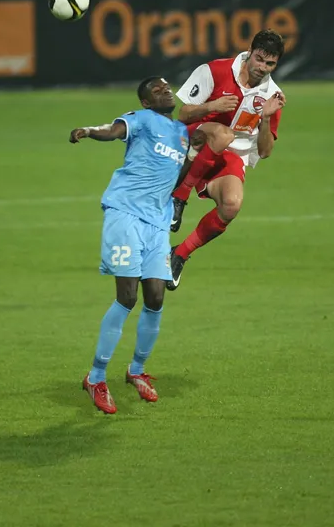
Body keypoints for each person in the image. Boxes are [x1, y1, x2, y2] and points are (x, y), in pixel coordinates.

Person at [70, 77, 194, 414]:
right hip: (125, 215)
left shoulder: (181, 133)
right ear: (146, 102)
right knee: (127, 297)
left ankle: (136, 370)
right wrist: (89, 131)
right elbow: (112, 131)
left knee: (155, 298)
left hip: (157, 224)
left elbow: (178, 176)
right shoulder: (141, 120)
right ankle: (96, 377)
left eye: (167, 87)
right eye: (157, 90)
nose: (165, 91)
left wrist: (196, 156)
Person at [167, 30, 286, 291]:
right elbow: (183, 114)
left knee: (232, 205)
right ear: (249, 52)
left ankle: (179, 254)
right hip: (193, 139)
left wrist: (266, 118)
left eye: (270, 64)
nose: (262, 67)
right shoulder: (214, 70)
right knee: (223, 134)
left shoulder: (272, 96)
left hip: (228, 155)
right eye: (259, 59)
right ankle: (180, 197)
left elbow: (265, 152)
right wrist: (211, 107)